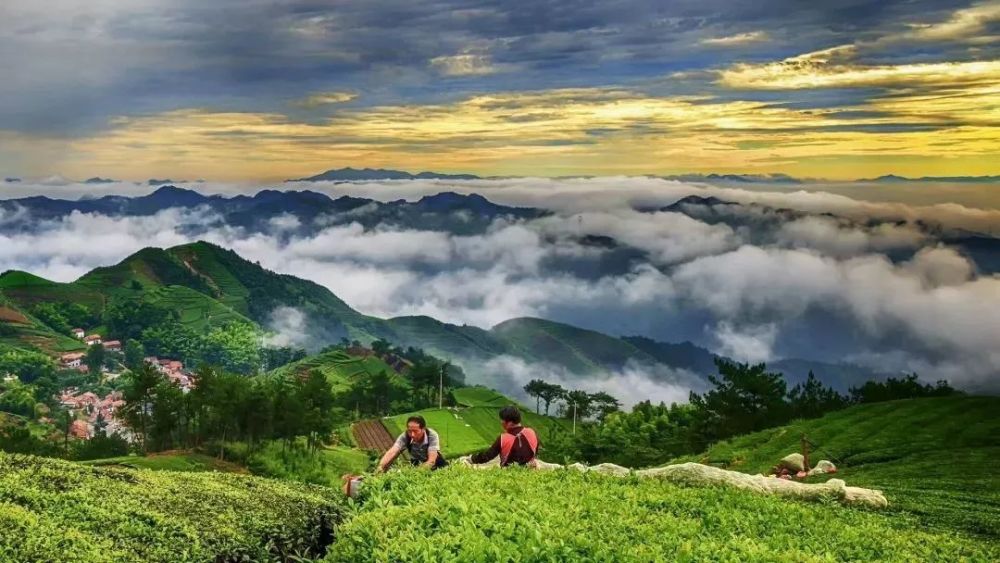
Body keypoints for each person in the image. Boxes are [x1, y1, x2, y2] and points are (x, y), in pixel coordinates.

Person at [468, 405, 539, 467]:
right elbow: (535, 450)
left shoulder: (503, 439)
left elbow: (487, 456)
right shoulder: (531, 432)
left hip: (509, 473)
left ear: (509, 422)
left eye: (502, 420)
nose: (501, 422)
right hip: (529, 471)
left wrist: (472, 459)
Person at [377, 415, 448, 472]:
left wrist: (413, 473)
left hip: (436, 462)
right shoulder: (405, 436)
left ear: (423, 429)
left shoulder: (432, 435)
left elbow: (431, 461)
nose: (412, 434)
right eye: (409, 431)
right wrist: (381, 466)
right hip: (416, 461)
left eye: (415, 431)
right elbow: (392, 451)